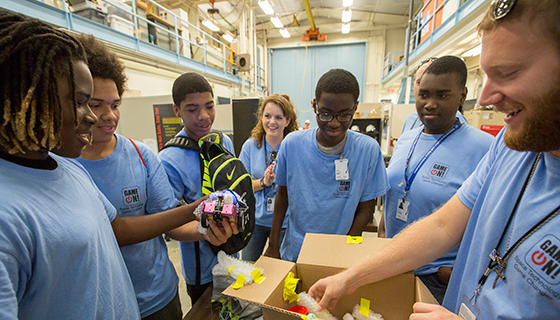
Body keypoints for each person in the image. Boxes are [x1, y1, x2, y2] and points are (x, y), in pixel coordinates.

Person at [309, 0, 560, 318]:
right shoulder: (509, 149)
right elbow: (442, 226)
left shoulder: (485, 144)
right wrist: (349, 277)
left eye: (508, 73)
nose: (485, 98)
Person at [74, 35, 236, 319]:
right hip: (101, 303)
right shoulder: (65, 166)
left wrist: (214, 229)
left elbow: (167, 218)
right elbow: (125, 229)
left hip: (159, 292)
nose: (109, 115)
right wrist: (201, 217)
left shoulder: (142, 156)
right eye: (96, 104)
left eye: (115, 104)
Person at [0, 10, 140, 319]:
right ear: (25, 99)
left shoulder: (67, 167)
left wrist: (193, 209)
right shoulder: (7, 213)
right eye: (79, 103)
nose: (91, 116)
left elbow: (115, 229)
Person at [379, 56, 494, 304]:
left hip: (436, 275)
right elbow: (393, 192)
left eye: (442, 96)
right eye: (424, 95)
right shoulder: (408, 139)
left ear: (462, 96)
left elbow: (490, 220)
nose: (430, 104)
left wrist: (451, 271)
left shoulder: (484, 148)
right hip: (392, 263)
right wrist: (382, 236)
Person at [264, 69, 389, 262]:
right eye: (325, 114)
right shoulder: (293, 144)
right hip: (296, 252)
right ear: (314, 106)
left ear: (355, 108)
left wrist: (345, 250)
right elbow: (282, 195)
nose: (334, 123)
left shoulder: (368, 150)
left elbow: (366, 209)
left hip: (340, 256)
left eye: (344, 115)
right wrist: (273, 245)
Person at [158, 72, 237, 305]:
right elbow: (169, 225)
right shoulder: (168, 160)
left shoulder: (224, 141)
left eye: (209, 106)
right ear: (176, 110)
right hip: (202, 270)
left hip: (233, 257)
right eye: (192, 109)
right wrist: (206, 232)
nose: (204, 117)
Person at [239, 93, 299, 262]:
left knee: (281, 272)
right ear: (261, 118)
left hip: (285, 223)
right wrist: (264, 182)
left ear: (287, 121)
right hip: (255, 222)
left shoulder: (294, 147)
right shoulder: (250, 146)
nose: (272, 122)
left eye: (278, 117)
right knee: (248, 268)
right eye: (268, 116)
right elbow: (242, 186)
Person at [402, 57, 467, 133]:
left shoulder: (456, 123)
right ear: (414, 86)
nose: (425, 88)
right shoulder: (411, 119)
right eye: (419, 82)